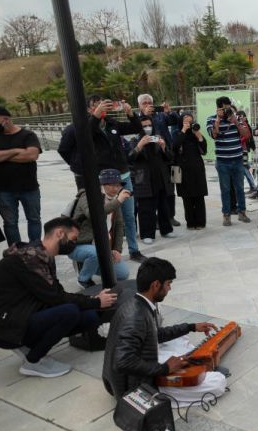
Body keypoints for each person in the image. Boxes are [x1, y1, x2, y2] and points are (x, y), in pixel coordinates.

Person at [0, 217, 117, 378]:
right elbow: (57, 298)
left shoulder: (43, 255)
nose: (74, 244)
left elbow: (55, 293)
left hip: (22, 313)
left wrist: (92, 301)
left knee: (89, 317)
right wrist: (96, 301)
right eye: (73, 239)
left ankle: (30, 344)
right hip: (5, 325)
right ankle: (33, 361)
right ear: (59, 233)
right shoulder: (29, 259)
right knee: (69, 312)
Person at [102, 257, 226, 401]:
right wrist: (165, 369)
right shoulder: (136, 317)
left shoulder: (137, 302)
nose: (169, 288)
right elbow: (123, 362)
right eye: (168, 284)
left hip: (127, 375)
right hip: (133, 388)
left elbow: (155, 335)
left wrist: (191, 327)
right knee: (217, 382)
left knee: (181, 339)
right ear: (155, 285)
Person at [58, 95, 146, 262]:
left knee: (127, 215)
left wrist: (131, 114)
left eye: (103, 104)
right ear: (89, 109)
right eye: (96, 105)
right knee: (100, 216)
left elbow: (135, 128)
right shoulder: (83, 126)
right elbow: (83, 138)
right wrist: (77, 165)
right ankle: (99, 253)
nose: (101, 107)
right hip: (100, 180)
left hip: (122, 175)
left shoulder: (112, 123)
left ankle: (134, 250)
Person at [69, 169, 132, 288]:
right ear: (103, 184)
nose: (116, 188)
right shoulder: (88, 196)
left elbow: (119, 226)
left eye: (118, 185)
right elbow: (94, 216)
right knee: (95, 253)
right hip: (78, 245)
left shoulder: (114, 200)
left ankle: (91, 263)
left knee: (123, 273)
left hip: (102, 246)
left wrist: (117, 249)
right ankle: (83, 278)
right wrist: (118, 201)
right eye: (112, 185)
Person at [0, 107, 42, 246]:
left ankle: (35, 250)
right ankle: (15, 252)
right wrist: (17, 151)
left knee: (34, 219)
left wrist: (1, 155)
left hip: (29, 188)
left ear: (6, 119)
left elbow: (32, 155)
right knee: (10, 223)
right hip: (3, 190)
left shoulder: (28, 135)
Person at [128, 116, 176, 244]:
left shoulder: (159, 138)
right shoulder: (134, 140)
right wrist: (139, 146)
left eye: (149, 125)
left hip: (161, 178)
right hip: (144, 180)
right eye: (144, 126)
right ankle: (147, 234)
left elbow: (170, 157)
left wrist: (164, 147)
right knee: (146, 209)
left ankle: (166, 230)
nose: (147, 128)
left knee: (164, 207)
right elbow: (130, 158)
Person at [207, 96, 251, 226]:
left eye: (229, 106)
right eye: (225, 107)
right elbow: (214, 135)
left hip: (237, 159)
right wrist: (218, 120)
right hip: (222, 161)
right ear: (219, 108)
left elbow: (247, 135)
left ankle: (242, 212)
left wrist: (236, 122)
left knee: (240, 188)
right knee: (225, 189)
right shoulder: (211, 119)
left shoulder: (235, 117)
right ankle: (226, 215)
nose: (228, 109)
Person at [138, 94, 181, 227]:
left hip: (167, 155)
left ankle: (170, 216)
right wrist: (145, 116)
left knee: (171, 186)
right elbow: (137, 131)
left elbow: (176, 121)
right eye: (144, 103)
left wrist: (170, 112)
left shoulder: (161, 115)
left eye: (149, 102)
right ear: (139, 105)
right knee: (153, 189)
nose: (147, 105)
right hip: (150, 159)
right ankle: (156, 218)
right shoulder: (137, 118)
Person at [171, 112, 208, 229]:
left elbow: (204, 150)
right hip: (180, 170)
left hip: (197, 169)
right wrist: (183, 130)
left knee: (199, 196)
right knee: (186, 198)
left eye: (190, 121)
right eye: (185, 121)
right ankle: (191, 223)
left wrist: (199, 135)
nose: (188, 123)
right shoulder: (176, 133)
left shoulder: (195, 134)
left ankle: (201, 222)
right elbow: (175, 147)